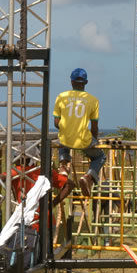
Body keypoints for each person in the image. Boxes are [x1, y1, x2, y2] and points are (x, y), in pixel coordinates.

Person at [53, 68, 106, 197]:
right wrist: (95, 141)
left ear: (71, 82)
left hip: (65, 139)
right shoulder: (93, 100)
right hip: (83, 140)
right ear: (86, 82)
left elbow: (56, 123)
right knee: (100, 157)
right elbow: (94, 127)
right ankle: (88, 176)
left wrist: (68, 129)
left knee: (62, 138)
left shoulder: (61, 97)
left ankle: (64, 166)